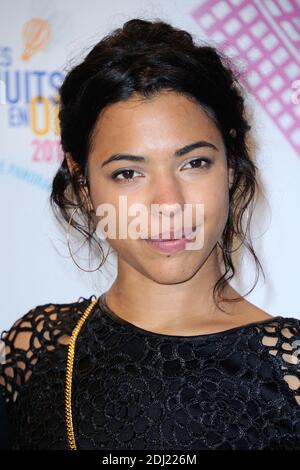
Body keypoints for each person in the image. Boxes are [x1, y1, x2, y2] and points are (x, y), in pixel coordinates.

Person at [0, 18, 300, 450]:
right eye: (128, 173)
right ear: (83, 185)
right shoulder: (36, 351)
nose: (168, 203)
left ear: (231, 165)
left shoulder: (290, 371)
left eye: (194, 163)